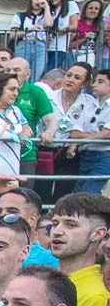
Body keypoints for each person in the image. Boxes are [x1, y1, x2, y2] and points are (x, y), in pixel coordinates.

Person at [49, 191, 110, 306]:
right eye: (55, 224)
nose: (57, 232)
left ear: (97, 234)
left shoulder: (95, 297)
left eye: (71, 225)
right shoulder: (45, 280)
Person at [42, 62, 96, 203]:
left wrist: (75, 143)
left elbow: (89, 128)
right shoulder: (48, 97)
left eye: (77, 78)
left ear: (84, 83)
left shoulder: (90, 102)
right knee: (42, 189)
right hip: (45, 149)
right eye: (69, 75)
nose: (70, 80)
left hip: (70, 153)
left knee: (64, 192)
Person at [6, 55, 58, 177]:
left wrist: (49, 133)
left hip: (26, 154)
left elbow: (51, 120)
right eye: (8, 70)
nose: (11, 73)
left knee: (24, 194)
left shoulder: (35, 92)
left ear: (28, 74)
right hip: (1, 152)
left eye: (16, 70)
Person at [70, 67, 110, 193]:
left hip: (104, 155)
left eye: (100, 81)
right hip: (85, 155)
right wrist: (93, 136)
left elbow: (107, 134)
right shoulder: (89, 104)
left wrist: (81, 140)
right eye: (94, 81)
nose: (94, 85)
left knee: (88, 193)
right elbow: (74, 133)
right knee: (79, 194)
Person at [11, 0, 54, 83]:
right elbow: (12, 34)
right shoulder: (20, 15)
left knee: (36, 75)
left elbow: (48, 24)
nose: (38, 1)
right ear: (31, 0)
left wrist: (47, 7)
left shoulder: (48, 15)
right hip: (24, 45)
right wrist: (29, 30)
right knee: (20, 73)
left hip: (40, 46)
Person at [45, 0, 81, 73]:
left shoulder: (71, 4)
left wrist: (57, 32)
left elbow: (74, 26)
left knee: (49, 72)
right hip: (47, 46)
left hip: (60, 47)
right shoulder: (51, 9)